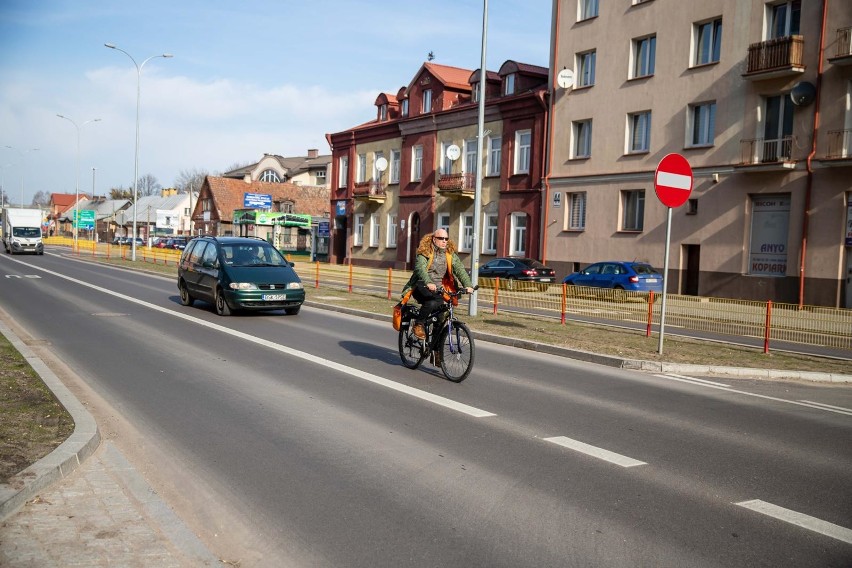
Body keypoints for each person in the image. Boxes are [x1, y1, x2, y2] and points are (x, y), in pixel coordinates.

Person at [401, 229, 474, 340]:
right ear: (434, 239)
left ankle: (436, 351)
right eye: (441, 238)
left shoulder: (449, 254)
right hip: (421, 285)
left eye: (446, 238)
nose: (444, 241)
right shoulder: (425, 252)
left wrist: (468, 285)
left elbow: (460, 269)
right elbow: (420, 269)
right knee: (432, 301)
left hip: (439, 288)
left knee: (441, 317)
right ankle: (418, 324)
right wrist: (429, 282)